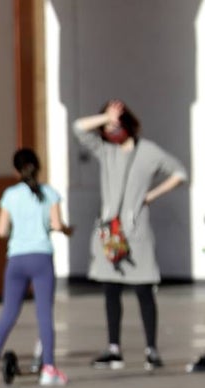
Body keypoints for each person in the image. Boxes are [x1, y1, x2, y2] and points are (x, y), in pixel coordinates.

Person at [73, 100, 187, 370]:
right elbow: (78, 128)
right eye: (107, 127)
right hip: (110, 233)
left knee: (144, 290)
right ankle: (114, 348)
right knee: (110, 290)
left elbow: (179, 172)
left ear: (128, 124)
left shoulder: (148, 152)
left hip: (136, 232)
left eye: (115, 125)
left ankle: (151, 349)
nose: (111, 131)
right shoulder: (105, 150)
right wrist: (104, 119)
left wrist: (151, 196)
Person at [0, 148, 72, 386]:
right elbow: (57, 224)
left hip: (17, 258)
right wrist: (65, 229)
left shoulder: (10, 194)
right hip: (41, 258)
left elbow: (0, 231)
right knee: (44, 315)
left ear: (15, 170)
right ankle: (49, 368)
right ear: (38, 167)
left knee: (8, 314)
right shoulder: (49, 193)